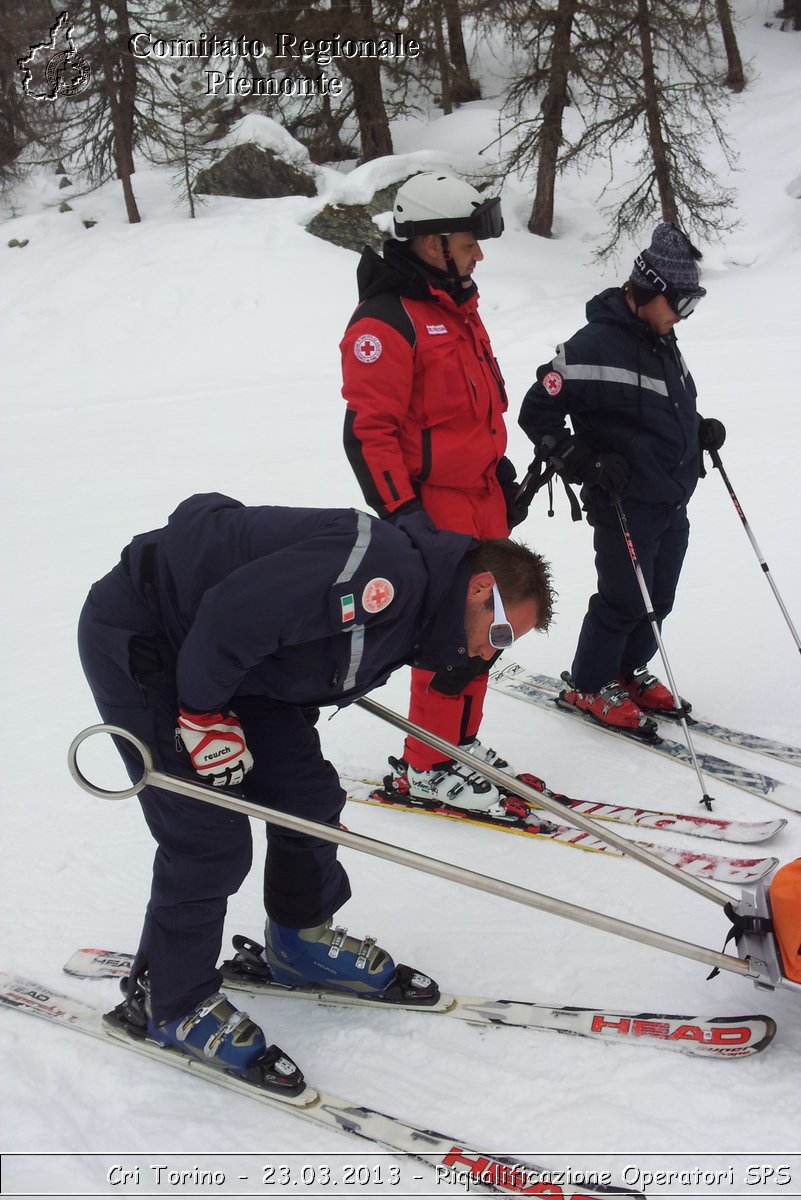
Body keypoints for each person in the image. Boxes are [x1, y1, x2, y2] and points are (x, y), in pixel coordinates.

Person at [77, 492, 553, 1087]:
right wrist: (201, 717)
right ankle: (169, 1002)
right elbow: (232, 614)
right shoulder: (390, 578)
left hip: (233, 663)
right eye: (500, 633)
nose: (489, 653)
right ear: (481, 589)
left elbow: (307, 651)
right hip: (149, 635)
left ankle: (298, 940)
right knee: (207, 838)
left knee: (307, 799)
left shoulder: (424, 611)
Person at [340, 172, 526, 819]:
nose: (479, 254)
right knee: (452, 638)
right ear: (431, 242)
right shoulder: (385, 322)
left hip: (481, 499)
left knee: (491, 632)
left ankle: (460, 745)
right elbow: (370, 432)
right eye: (470, 241)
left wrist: (498, 470)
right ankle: (428, 765)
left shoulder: (457, 308)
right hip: (435, 509)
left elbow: (474, 411)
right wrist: (406, 516)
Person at [519, 222, 726, 737]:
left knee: (660, 597)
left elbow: (662, 407)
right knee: (624, 600)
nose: (683, 315)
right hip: (623, 499)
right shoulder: (591, 346)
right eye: (681, 303)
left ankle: (628, 673)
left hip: (670, 496)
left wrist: (698, 430)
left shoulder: (663, 340)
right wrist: (582, 461)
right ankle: (589, 683)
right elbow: (536, 412)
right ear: (651, 290)